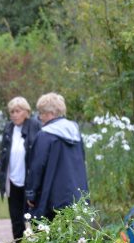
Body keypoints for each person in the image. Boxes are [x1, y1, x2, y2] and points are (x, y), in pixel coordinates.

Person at [25, 92, 89, 220]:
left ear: (50, 113)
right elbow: (82, 161)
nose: (40, 118)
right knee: (74, 237)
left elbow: (37, 168)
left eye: (41, 113)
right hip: (77, 196)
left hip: (52, 200)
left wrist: (31, 195)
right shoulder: (75, 132)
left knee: (54, 237)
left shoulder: (45, 135)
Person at [0, 96, 41, 243]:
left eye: (18, 111)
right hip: (13, 181)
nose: (14, 114)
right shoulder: (9, 128)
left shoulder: (35, 126)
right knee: (16, 220)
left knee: (36, 219)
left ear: (26, 112)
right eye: (12, 112)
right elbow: (4, 155)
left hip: (30, 182)